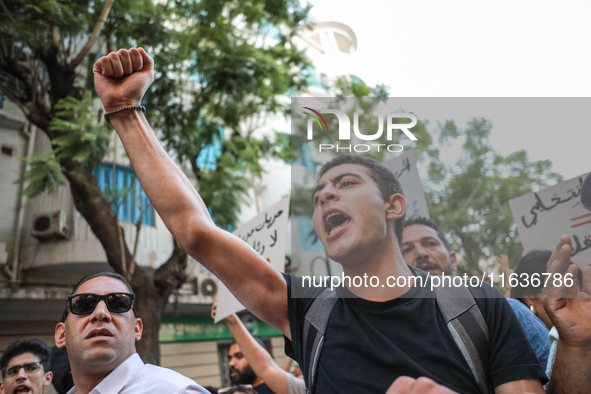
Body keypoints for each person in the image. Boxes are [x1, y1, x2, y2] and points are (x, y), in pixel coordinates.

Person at [92, 47, 591, 394]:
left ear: (394, 207)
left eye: (347, 184)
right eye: (319, 193)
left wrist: (576, 346)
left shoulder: (479, 308)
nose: (327, 193)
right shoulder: (308, 311)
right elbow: (196, 231)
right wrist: (125, 110)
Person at [401, 216, 550, 370]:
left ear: (453, 260)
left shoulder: (501, 310)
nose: (420, 253)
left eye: (431, 243)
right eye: (406, 250)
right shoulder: (397, 334)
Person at [54, 272, 209, 394]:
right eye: (84, 305)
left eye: (118, 304)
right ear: (61, 335)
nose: (100, 313)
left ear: (137, 329)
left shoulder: (177, 391)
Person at [211, 302, 305, 394]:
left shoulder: (277, 390)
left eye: (239, 356)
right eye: (230, 358)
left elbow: (267, 367)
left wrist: (232, 320)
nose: (231, 363)